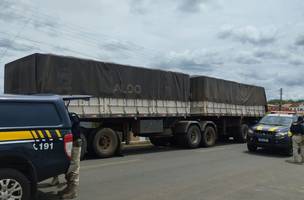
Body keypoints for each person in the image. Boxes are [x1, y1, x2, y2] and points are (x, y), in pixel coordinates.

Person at [51, 113, 82, 199]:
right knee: (68, 168)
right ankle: (69, 188)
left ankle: (73, 192)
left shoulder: (72, 116)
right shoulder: (67, 116)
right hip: (69, 143)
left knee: (74, 168)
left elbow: (67, 126)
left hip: (75, 144)